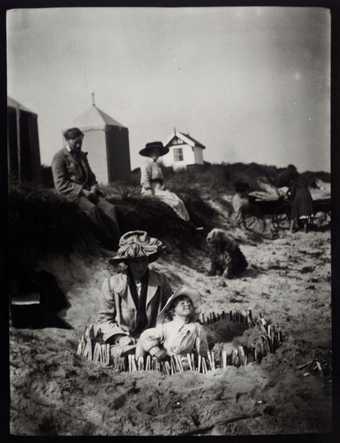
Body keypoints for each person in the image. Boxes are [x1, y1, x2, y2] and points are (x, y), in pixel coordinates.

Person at [91, 230, 172, 357]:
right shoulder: (111, 284)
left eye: (143, 260)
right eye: (135, 262)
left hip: (154, 340)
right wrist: (119, 337)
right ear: (127, 262)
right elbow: (103, 320)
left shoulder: (161, 281)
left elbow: (170, 311)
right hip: (125, 342)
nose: (140, 267)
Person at [51, 127, 120, 249]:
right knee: (93, 210)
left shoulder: (82, 155)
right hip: (72, 194)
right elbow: (60, 184)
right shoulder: (59, 157)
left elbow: (91, 176)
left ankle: (118, 241)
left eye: (81, 142)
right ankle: (105, 244)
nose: (79, 145)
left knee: (110, 208)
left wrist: (93, 187)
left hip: (89, 192)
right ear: (67, 140)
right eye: (76, 142)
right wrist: (82, 191)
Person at [135, 286, 208, 361]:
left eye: (189, 302)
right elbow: (145, 336)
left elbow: (203, 351)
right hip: (168, 365)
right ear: (173, 310)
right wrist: (156, 351)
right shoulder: (166, 328)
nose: (187, 304)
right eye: (182, 303)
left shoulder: (197, 328)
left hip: (187, 366)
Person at [139, 141, 190, 222]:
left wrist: (163, 187)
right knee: (175, 203)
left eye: (158, 152)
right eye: (154, 151)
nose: (157, 154)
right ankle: (180, 221)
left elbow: (160, 180)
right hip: (151, 190)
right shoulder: (146, 163)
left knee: (179, 201)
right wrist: (149, 190)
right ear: (150, 152)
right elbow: (145, 179)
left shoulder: (157, 165)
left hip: (159, 190)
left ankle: (186, 222)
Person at [276, 165, 313, 233]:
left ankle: (290, 229)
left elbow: (292, 191)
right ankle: (305, 230)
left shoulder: (293, 180)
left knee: (294, 212)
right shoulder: (302, 178)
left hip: (299, 196)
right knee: (305, 212)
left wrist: (288, 195)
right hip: (307, 195)